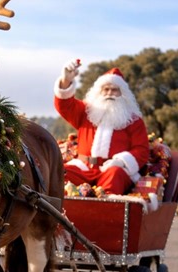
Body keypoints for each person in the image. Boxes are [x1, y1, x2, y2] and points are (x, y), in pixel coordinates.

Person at [54, 61, 149, 195]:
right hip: (83, 168)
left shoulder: (133, 120)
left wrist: (121, 162)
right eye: (106, 89)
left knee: (114, 175)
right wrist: (66, 81)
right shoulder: (86, 112)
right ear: (99, 92)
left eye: (114, 90)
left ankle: (106, 212)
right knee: (60, 174)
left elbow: (142, 150)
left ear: (122, 94)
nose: (109, 93)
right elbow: (65, 105)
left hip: (112, 169)